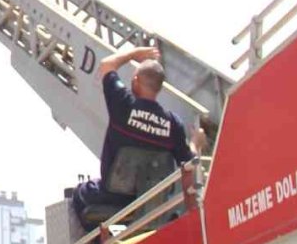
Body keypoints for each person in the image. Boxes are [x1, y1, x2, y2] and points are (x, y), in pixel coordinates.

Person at [74, 45, 204, 226]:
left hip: (112, 200)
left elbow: (106, 64)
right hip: (151, 204)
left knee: (80, 192)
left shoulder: (123, 104)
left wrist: (135, 53)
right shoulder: (173, 125)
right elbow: (190, 164)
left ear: (135, 81)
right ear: (158, 88)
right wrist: (196, 143)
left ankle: (99, 242)